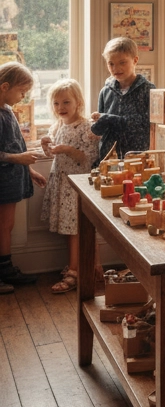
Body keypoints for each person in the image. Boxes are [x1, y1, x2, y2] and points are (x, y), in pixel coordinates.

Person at [40, 80, 100, 293]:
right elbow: (51, 154)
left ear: (78, 103)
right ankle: (90, 266)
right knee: (69, 228)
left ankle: (75, 271)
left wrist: (68, 149)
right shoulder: (57, 126)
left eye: (66, 102)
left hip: (76, 185)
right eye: (56, 104)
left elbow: (89, 158)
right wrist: (47, 144)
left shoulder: (85, 127)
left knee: (76, 230)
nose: (61, 108)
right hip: (62, 183)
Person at [0, 62, 46, 294]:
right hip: (2, 181)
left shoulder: (8, 111)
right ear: (5, 87)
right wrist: (19, 160)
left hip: (11, 182)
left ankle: (6, 269)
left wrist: (29, 171)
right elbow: (9, 153)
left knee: (6, 226)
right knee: (2, 226)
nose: (23, 97)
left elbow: (17, 145)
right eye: (21, 92)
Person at [91, 36, 153, 161]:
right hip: (109, 158)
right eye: (111, 64)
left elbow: (146, 125)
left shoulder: (148, 90)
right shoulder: (105, 91)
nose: (116, 68)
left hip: (136, 157)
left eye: (122, 62)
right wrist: (96, 122)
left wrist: (110, 119)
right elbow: (100, 132)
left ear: (135, 60)